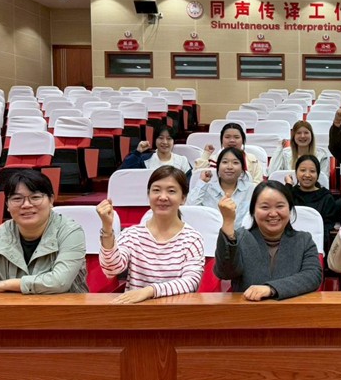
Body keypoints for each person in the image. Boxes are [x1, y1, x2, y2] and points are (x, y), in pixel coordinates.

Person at [0, 169, 88, 296]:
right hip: (8, 308)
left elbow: (59, 282)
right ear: (7, 205)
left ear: (51, 200)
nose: (26, 205)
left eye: (35, 197)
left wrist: (5, 285)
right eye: (17, 198)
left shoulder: (70, 232)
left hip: (64, 308)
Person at [97, 166, 204, 304]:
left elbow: (191, 282)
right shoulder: (132, 235)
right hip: (137, 311)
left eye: (171, 191)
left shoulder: (192, 239)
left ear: (183, 198)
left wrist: (149, 291)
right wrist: (107, 228)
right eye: (156, 190)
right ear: (148, 195)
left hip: (177, 312)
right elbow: (111, 269)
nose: (163, 197)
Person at [214, 180, 323, 301]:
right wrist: (228, 222)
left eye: (280, 206)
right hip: (248, 310)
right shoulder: (240, 238)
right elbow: (225, 273)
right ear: (253, 211)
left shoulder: (304, 240)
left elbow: (313, 276)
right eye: (265, 207)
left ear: (290, 209)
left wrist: (271, 289)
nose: (273, 213)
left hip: (291, 310)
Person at [188, 147, 254, 229]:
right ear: (218, 167)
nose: (229, 167)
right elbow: (190, 209)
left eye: (235, 162)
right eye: (225, 162)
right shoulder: (206, 189)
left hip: (243, 235)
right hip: (212, 234)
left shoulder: (252, 189)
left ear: (242, 169)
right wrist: (202, 183)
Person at [284, 154, 341, 237]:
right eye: (303, 170)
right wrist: (288, 185)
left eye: (312, 171)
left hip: (317, 241)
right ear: (296, 173)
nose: (307, 175)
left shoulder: (326, 197)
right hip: (290, 239)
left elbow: (327, 227)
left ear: (318, 175)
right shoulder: (291, 193)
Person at [194, 122, 264, 181]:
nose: (232, 140)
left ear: (243, 140)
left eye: (236, 137)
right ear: (222, 140)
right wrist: (206, 154)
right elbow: (197, 178)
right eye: (227, 137)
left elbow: (258, 183)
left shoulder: (252, 160)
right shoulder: (212, 160)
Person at [121, 125, 191, 175]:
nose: (165, 142)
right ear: (155, 140)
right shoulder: (145, 160)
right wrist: (137, 152)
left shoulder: (182, 161)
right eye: (161, 138)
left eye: (169, 139)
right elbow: (123, 172)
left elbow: (189, 184)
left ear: (174, 142)